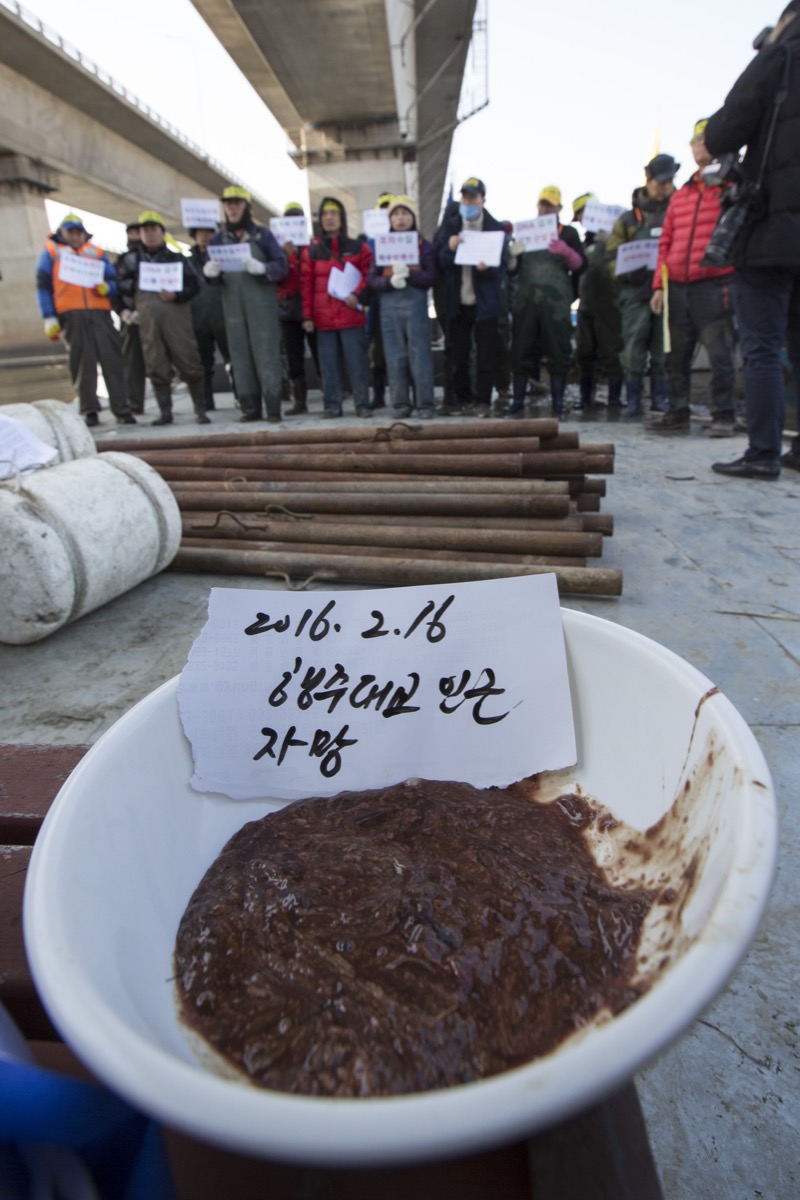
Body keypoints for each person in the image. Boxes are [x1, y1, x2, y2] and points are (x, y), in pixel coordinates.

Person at [706, 2, 800, 480]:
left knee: (761, 346)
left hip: (769, 230)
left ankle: (763, 452)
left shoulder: (780, 56)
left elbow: (724, 130)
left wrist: (770, 47)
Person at [647, 122, 738, 437]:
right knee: (675, 356)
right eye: (695, 139)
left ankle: (724, 415)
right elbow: (666, 242)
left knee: (720, 353)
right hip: (678, 287)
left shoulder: (729, 186)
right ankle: (678, 411)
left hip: (714, 283)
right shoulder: (682, 194)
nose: (697, 145)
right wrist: (659, 284)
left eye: (702, 139)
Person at [35, 212, 135, 428]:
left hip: (100, 312)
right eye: (70, 232)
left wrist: (107, 288)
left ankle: (122, 409)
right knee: (82, 363)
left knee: (113, 361)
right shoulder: (51, 252)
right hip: (71, 315)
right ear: (62, 233)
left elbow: (113, 280)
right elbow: (43, 286)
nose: (75, 236)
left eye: (78, 232)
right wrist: (49, 317)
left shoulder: (96, 253)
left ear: (84, 234)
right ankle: (90, 410)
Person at [204, 185, 288, 423]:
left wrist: (263, 268)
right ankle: (250, 408)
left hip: (261, 305)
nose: (231, 209)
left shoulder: (263, 236)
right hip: (233, 308)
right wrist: (209, 273)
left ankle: (273, 408)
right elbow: (213, 279)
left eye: (236, 204)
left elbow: (281, 266)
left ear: (246, 207)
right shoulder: (219, 239)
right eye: (228, 205)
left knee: (266, 354)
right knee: (240, 356)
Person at [116, 210, 208, 426]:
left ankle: (200, 410)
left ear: (162, 233)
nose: (149, 234)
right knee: (155, 363)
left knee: (189, 360)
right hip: (147, 320)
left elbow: (194, 286)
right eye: (145, 230)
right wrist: (125, 310)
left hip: (176, 318)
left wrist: (177, 295)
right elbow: (118, 288)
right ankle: (165, 413)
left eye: (153, 229)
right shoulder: (130, 260)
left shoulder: (178, 259)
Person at [606, 155, 679, 417]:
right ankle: (634, 400)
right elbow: (610, 256)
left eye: (670, 181)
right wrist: (625, 272)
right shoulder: (628, 219)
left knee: (663, 349)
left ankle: (661, 399)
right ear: (648, 180)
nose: (666, 186)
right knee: (633, 348)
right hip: (635, 292)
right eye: (661, 181)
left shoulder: (678, 210)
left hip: (670, 293)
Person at [506, 186, 585, 417]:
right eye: (542, 204)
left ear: (559, 208)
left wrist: (568, 253)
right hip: (526, 302)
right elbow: (513, 272)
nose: (545, 209)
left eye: (550, 205)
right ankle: (517, 400)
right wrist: (512, 257)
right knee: (521, 350)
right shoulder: (526, 232)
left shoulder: (568, 233)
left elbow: (581, 266)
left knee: (558, 351)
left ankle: (558, 402)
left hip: (556, 304)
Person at [435, 177, 509, 417]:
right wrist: (450, 248)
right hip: (457, 303)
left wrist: (488, 268)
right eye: (465, 197)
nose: (469, 202)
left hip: (484, 304)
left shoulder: (495, 228)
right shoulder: (451, 225)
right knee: (458, 354)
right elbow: (439, 261)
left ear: (482, 200)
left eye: (473, 198)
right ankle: (462, 397)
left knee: (486, 354)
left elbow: (504, 267)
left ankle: (484, 400)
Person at [300, 196, 373, 418]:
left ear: (341, 218)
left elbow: (369, 275)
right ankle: (332, 405)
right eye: (325, 214)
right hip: (324, 319)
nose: (329, 218)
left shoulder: (358, 247)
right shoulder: (310, 252)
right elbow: (306, 286)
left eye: (334, 214)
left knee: (357, 362)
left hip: (351, 314)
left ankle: (362, 404)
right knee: (328, 365)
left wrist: (358, 296)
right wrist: (307, 317)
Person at [366, 194, 437, 418]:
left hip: (415, 304)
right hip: (388, 305)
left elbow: (433, 275)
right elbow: (371, 278)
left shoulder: (423, 244)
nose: (400, 218)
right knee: (394, 356)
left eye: (405, 213)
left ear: (413, 218)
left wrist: (412, 275)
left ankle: (425, 404)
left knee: (420, 355)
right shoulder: (382, 245)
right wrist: (389, 282)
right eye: (395, 214)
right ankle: (401, 404)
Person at [572, 192, 624, 413]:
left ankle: (614, 399)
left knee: (612, 352)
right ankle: (586, 399)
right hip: (586, 306)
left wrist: (610, 243)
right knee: (585, 353)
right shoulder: (582, 242)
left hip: (610, 305)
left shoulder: (614, 238)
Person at [278, 202, 318, 416]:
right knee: (294, 359)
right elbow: (277, 280)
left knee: (322, 355)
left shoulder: (313, 246)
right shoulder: (280, 250)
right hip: (288, 312)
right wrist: (284, 257)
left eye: (297, 219)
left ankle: (332, 393)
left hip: (312, 310)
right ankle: (300, 401)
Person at [188, 224, 232, 413]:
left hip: (224, 318)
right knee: (203, 366)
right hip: (198, 320)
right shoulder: (187, 262)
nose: (205, 236)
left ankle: (242, 398)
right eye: (200, 232)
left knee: (234, 361)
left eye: (209, 232)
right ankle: (205, 403)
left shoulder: (225, 258)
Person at [116, 221, 147, 415]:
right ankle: (135, 403)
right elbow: (113, 290)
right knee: (132, 361)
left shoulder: (159, 257)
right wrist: (122, 311)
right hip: (130, 317)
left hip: (157, 316)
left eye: (139, 232)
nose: (135, 237)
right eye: (132, 233)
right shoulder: (121, 261)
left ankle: (165, 404)